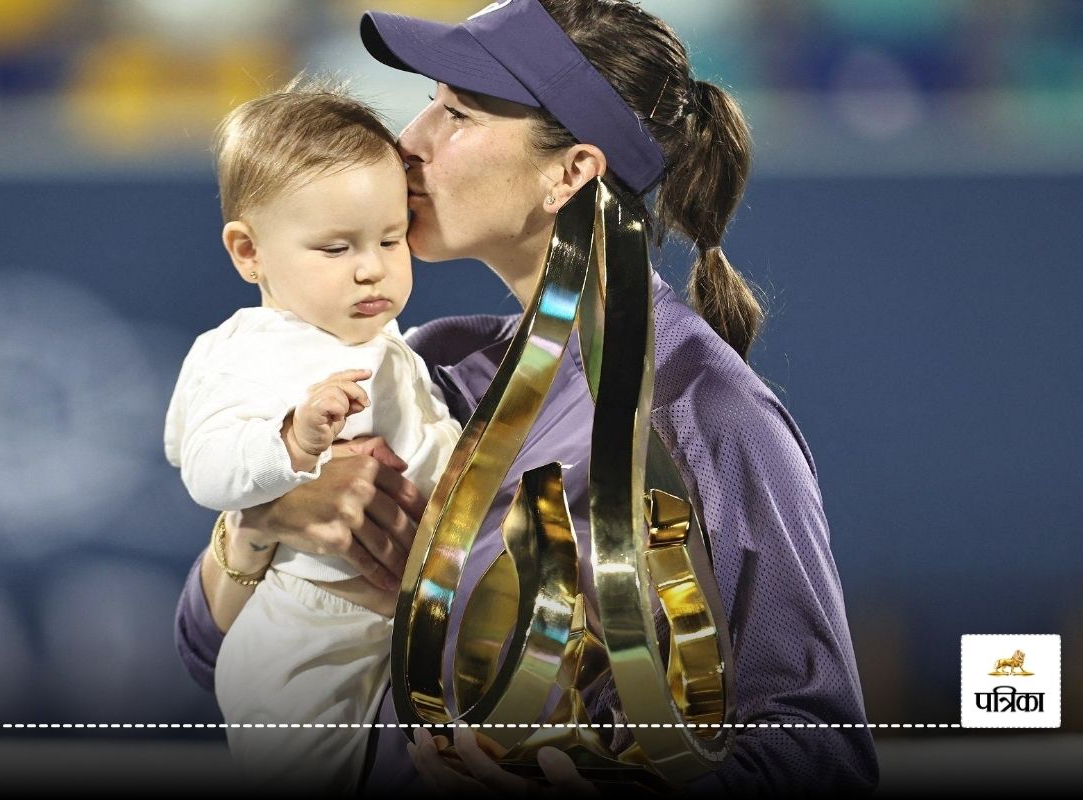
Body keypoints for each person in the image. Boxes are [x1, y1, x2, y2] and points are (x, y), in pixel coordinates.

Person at [173, 0, 880, 795]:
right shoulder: (434, 362)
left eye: (457, 114)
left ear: (571, 172)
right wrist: (260, 526)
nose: (409, 143)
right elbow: (207, 653)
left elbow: (822, 755)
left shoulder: (705, 411)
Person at [163, 81, 462, 791]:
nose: (371, 266)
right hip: (306, 636)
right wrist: (293, 444)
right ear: (248, 252)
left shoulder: (390, 344)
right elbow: (202, 465)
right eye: (335, 248)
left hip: (393, 628)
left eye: (391, 239)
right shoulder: (248, 350)